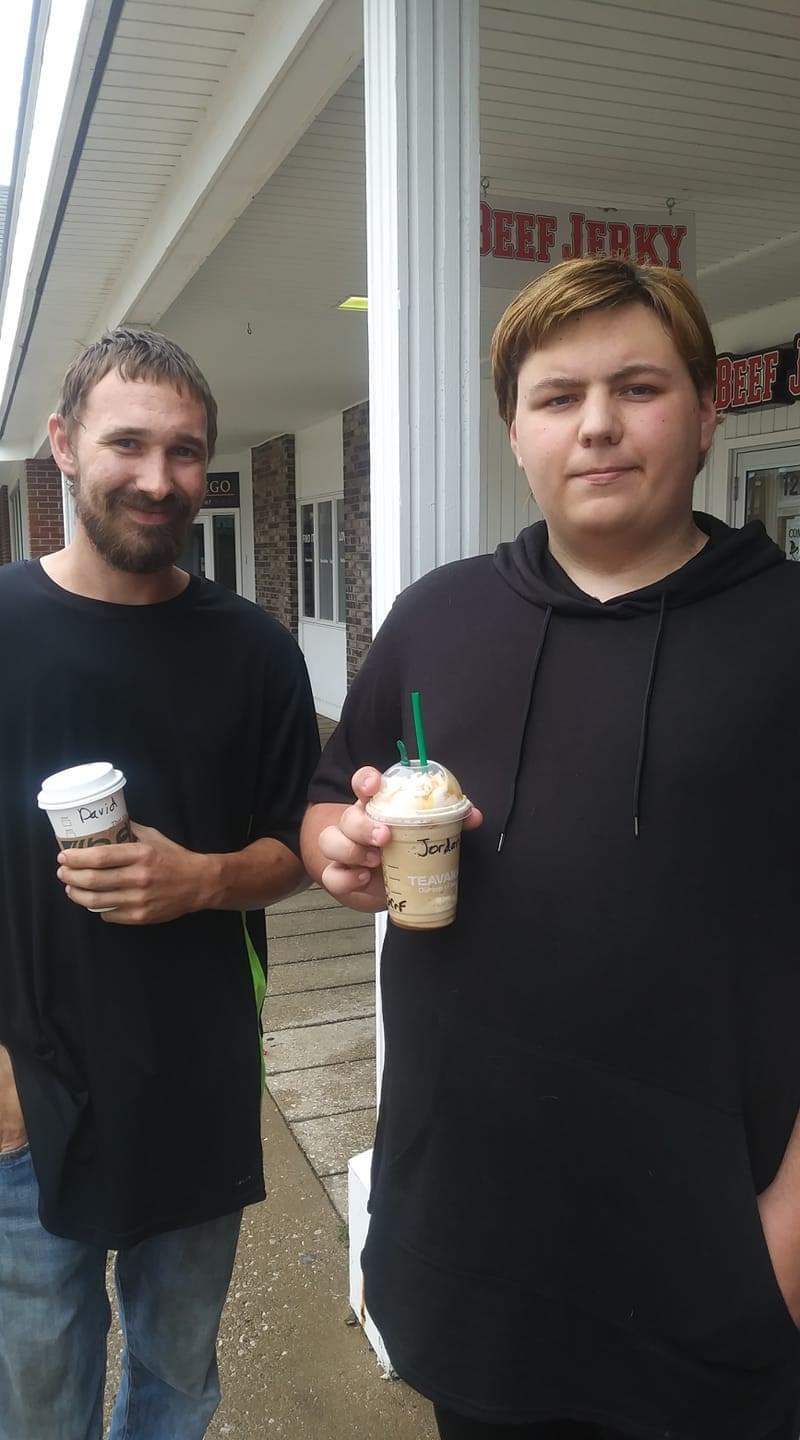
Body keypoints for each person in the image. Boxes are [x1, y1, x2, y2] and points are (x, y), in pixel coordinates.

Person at [300, 257, 800, 1440]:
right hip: (473, 1252)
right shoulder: (437, 615)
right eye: (556, 396)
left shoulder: (783, 633)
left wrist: (782, 1234)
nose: (596, 426)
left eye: (636, 387)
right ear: (513, 430)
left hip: (715, 1262)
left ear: (704, 408)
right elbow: (329, 797)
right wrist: (340, 847)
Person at [0, 328, 320, 1439]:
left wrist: (205, 878)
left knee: (178, 1385)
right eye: (127, 443)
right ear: (62, 447)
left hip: (195, 1082)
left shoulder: (252, 649)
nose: (158, 477)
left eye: (185, 452)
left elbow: (295, 843)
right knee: (40, 1403)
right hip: (22, 1103)